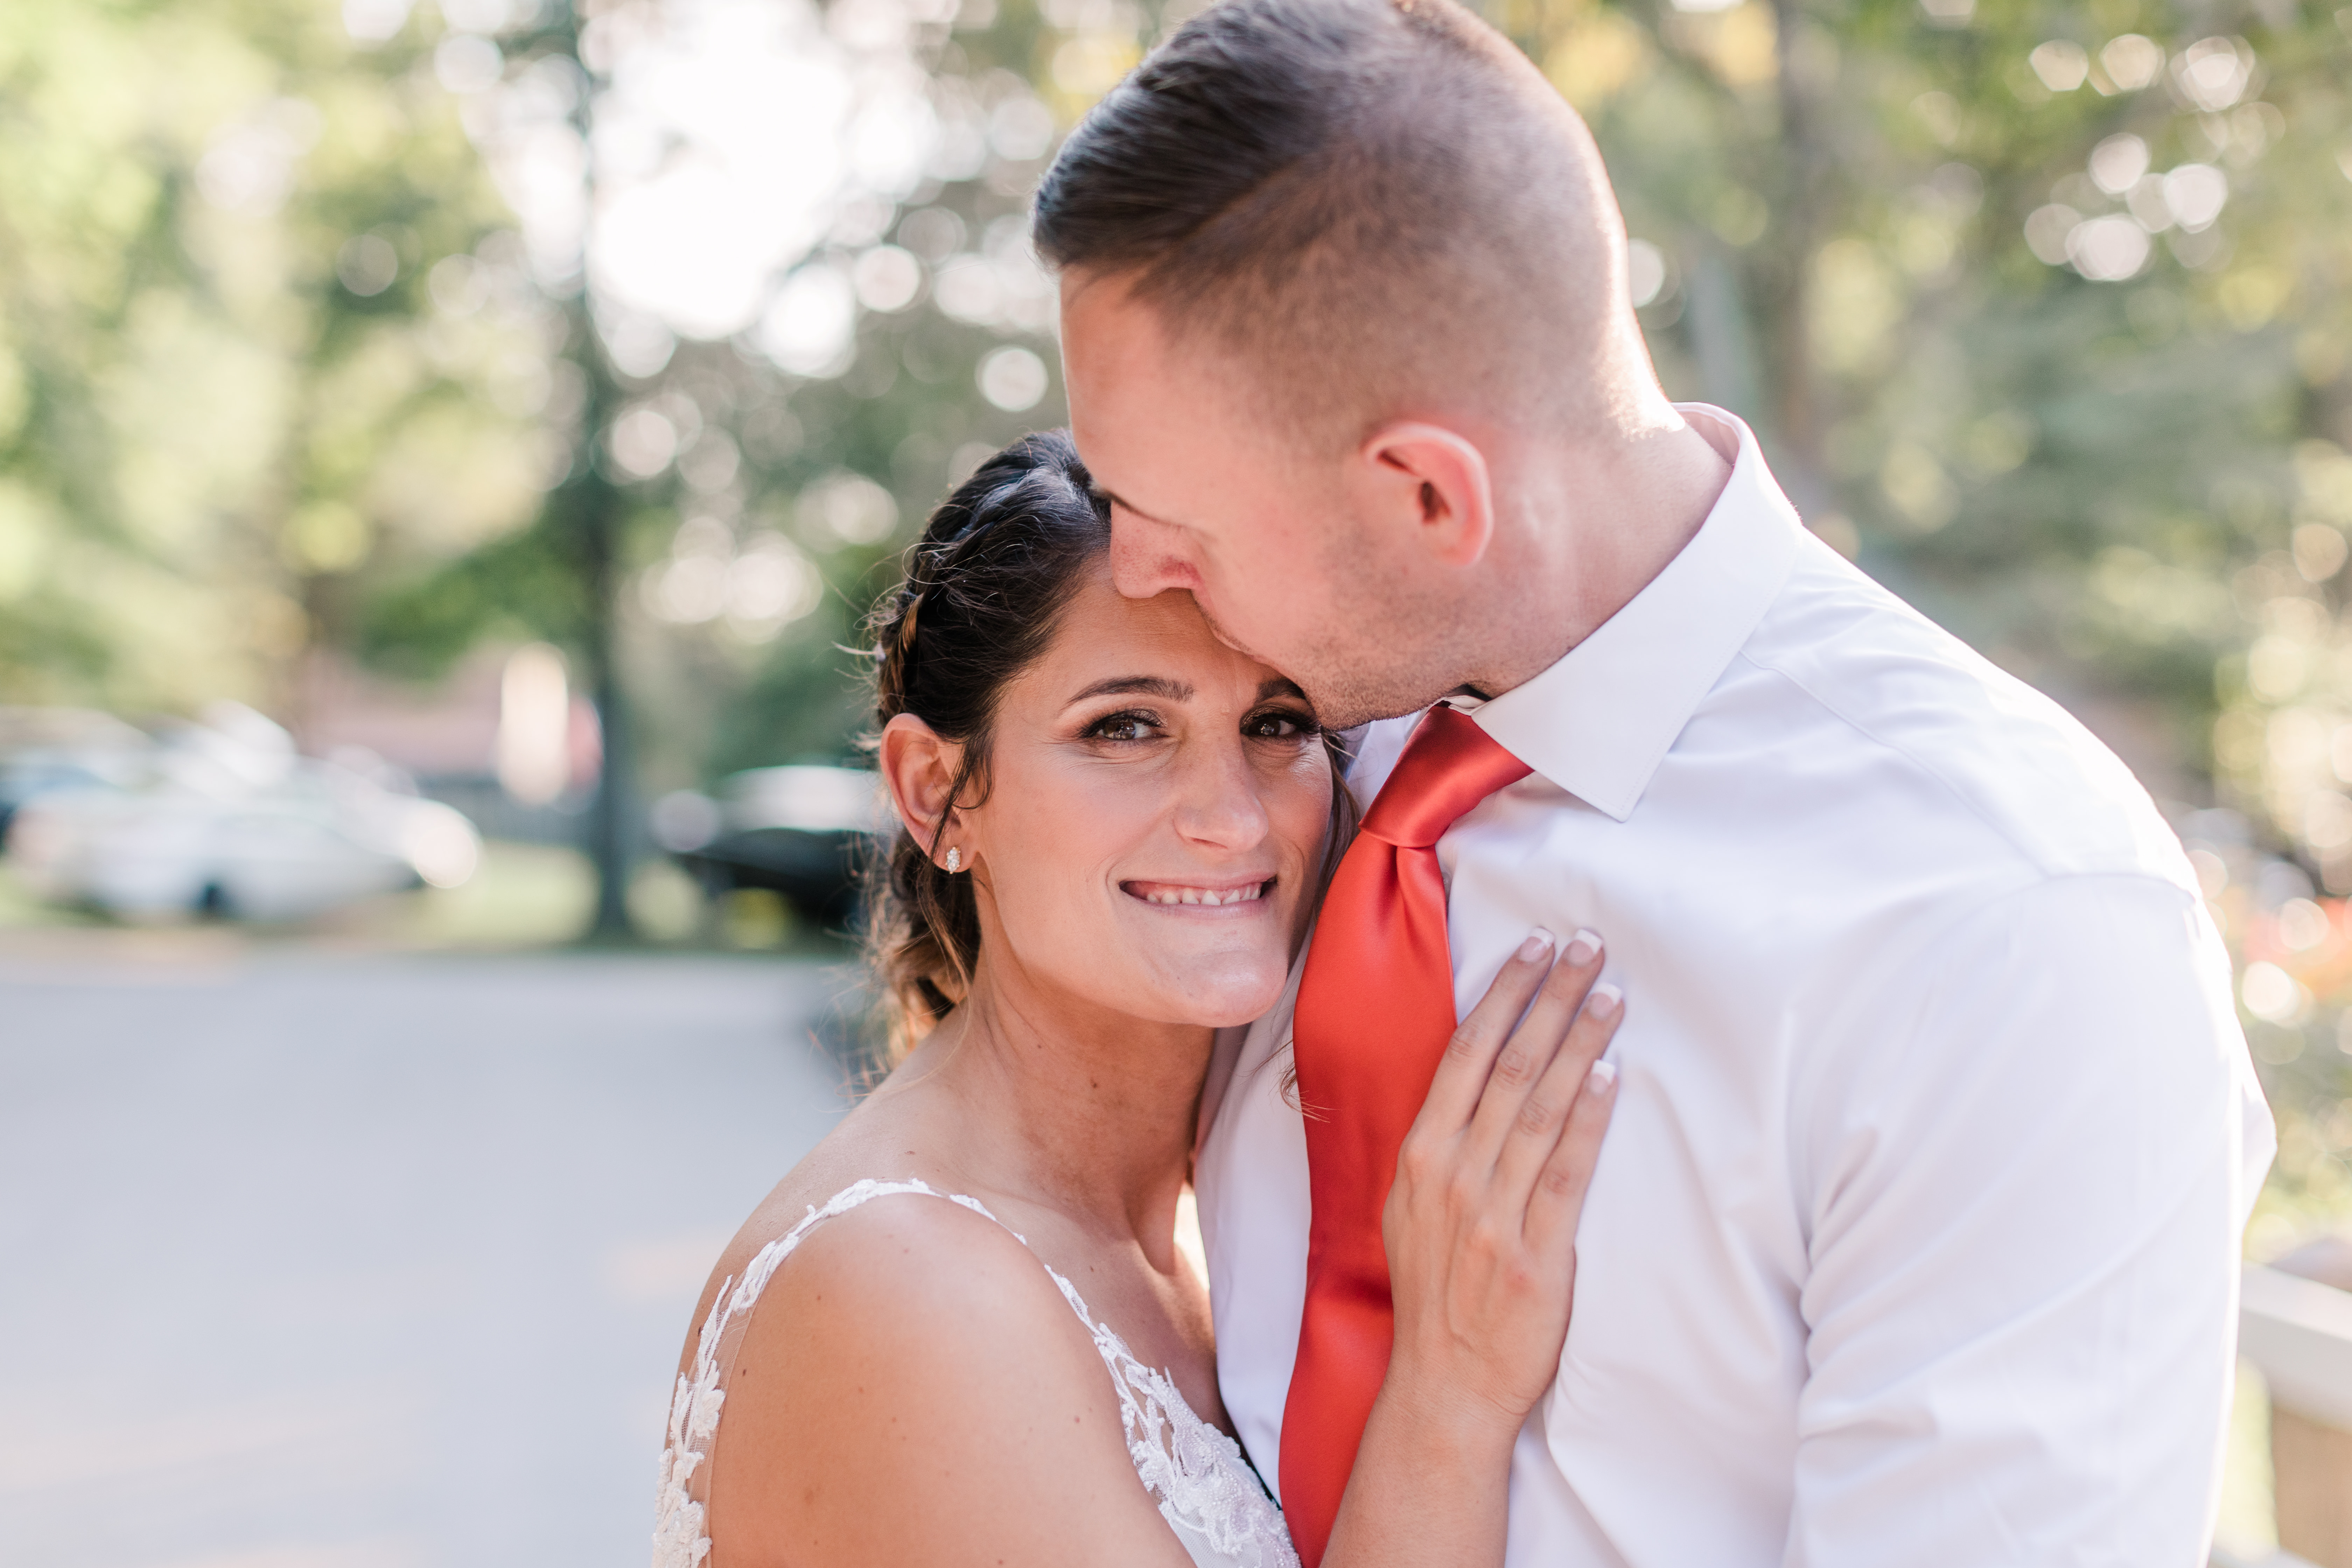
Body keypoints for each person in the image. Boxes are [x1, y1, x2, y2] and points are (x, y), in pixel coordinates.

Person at [1036, 0, 2278, 1563]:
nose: (1133, 562)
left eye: (1169, 517)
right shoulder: (1271, 778)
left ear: (1429, 493)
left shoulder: (2004, 921)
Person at [651, 433, 1624, 1568]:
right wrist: (1451, 1394)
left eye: (1278, 724)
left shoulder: (1217, 1229)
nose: (1235, 818)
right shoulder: (902, 1285)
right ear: (936, 791)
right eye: (1125, 727)